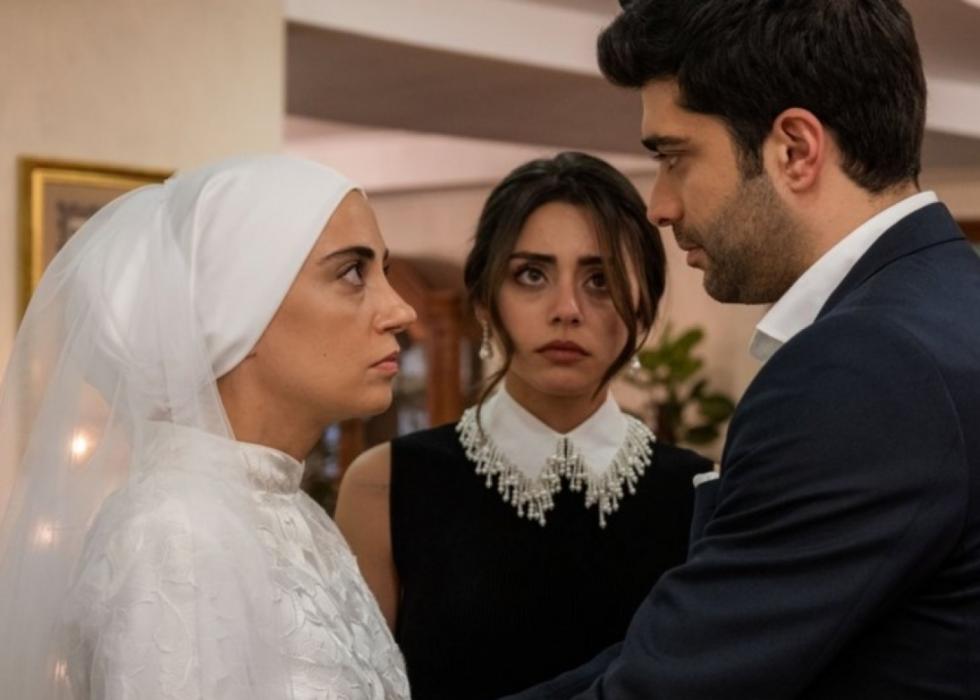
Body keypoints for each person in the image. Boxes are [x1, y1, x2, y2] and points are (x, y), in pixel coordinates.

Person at [503, 1, 980, 699]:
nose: (659, 205)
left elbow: (680, 682)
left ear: (794, 150)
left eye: (674, 157)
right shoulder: (950, 303)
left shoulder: (866, 364)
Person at [0, 154, 417, 699]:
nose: (401, 310)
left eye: (384, 271)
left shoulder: (294, 513)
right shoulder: (174, 534)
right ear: (240, 306)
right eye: (352, 273)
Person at [335, 151, 714, 700]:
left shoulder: (701, 493)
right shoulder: (387, 483)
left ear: (644, 305)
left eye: (600, 279)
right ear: (484, 300)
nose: (567, 309)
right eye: (532, 275)